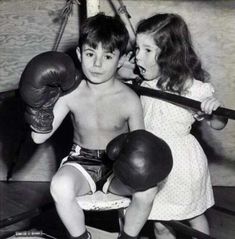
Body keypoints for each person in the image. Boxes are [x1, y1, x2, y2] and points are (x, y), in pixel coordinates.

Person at [19, 13, 161, 239]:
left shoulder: (129, 99)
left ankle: (128, 237)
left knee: (148, 191)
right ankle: (82, 237)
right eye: (90, 53)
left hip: (118, 166)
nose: (97, 63)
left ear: (122, 59)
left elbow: (139, 145)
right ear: (79, 54)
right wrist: (39, 106)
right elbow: (38, 138)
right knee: (60, 186)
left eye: (107, 56)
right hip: (81, 162)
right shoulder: (70, 95)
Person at [119, 13, 228, 238]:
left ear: (170, 54)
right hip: (150, 159)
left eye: (147, 50)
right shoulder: (142, 82)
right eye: (137, 48)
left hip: (182, 164)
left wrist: (213, 108)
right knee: (159, 221)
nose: (139, 56)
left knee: (193, 215)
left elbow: (218, 123)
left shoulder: (191, 87)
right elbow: (116, 77)